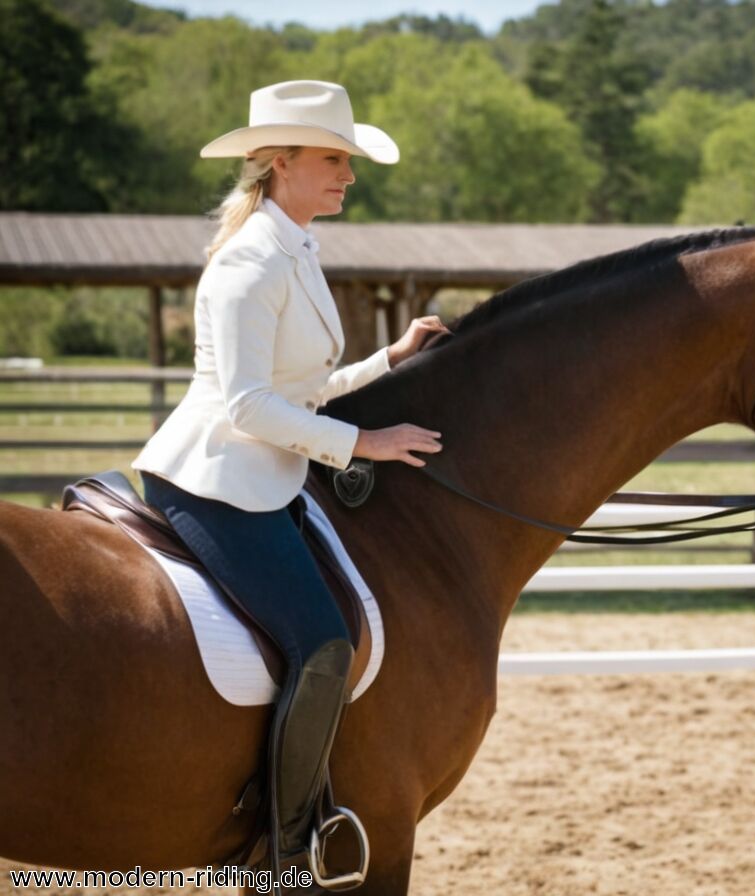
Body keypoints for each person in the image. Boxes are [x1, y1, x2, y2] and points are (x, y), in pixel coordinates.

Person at [133, 80, 448, 868]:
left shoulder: (297, 247)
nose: (349, 174)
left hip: (266, 474)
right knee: (323, 642)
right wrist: (365, 443)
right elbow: (248, 406)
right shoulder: (250, 263)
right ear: (281, 163)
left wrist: (388, 359)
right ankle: (287, 840)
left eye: (347, 160)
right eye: (333, 159)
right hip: (216, 478)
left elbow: (296, 390)